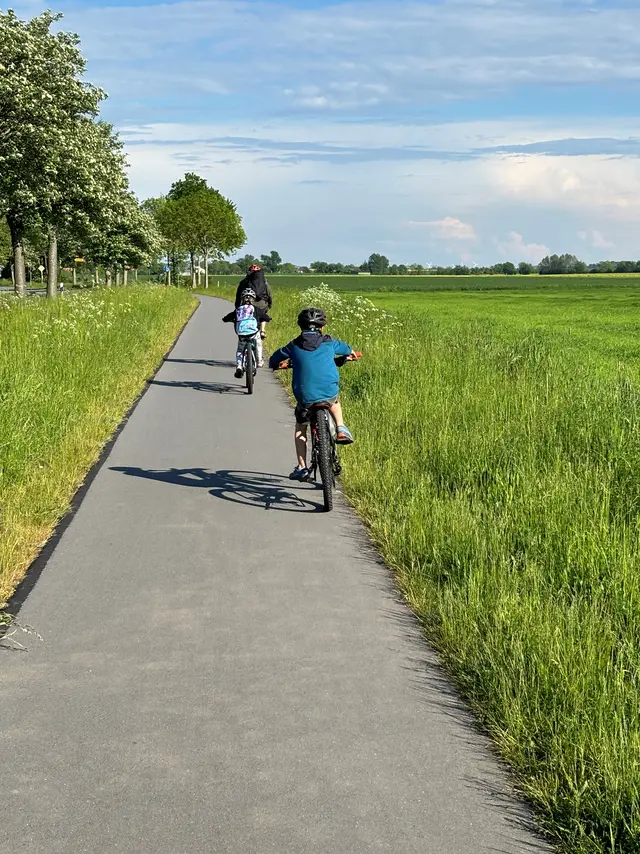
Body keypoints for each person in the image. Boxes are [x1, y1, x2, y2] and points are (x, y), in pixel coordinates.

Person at [268, 306, 355, 482]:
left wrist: (278, 364)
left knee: (301, 427)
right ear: (322, 327)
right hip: (328, 391)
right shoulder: (330, 342)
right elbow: (347, 349)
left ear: (301, 326)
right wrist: (351, 354)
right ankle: (340, 428)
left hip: (305, 396)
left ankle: (302, 467)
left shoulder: (293, 345)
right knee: (334, 399)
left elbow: (274, 360)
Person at [223, 288, 271, 375]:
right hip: (253, 332)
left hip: (241, 333)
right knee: (258, 343)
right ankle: (259, 361)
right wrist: (268, 319)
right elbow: (265, 317)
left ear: (242, 299)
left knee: (240, 350)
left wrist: (225, 319)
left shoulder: (238, 309)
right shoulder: (256, 309)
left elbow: (227, 318)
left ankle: (239, 366)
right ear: (253, 299)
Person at [235, 264, 272, 339]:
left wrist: (237, 306)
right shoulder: (264, 282)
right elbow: (269, 293)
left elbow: (238, 294)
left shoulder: (243, 282)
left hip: (248, 304)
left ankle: (243, 330)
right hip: (262, 305)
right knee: (263, 314)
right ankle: (263, 330)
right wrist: (270, 304)